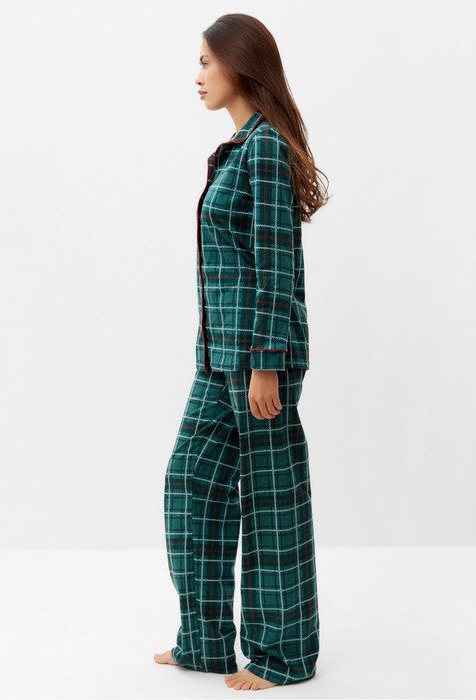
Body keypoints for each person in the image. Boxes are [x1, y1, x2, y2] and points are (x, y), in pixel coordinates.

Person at [154, 12, 330, 692]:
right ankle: (203, 642)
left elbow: (275, 266)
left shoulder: (264, 150)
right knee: (190, 483)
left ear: (239, 64)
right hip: (218, 355)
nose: (197, 76)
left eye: (206, 62)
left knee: (271, 500)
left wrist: (266, 363)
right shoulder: (238, 149)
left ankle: (283, 655)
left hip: (259, 357)